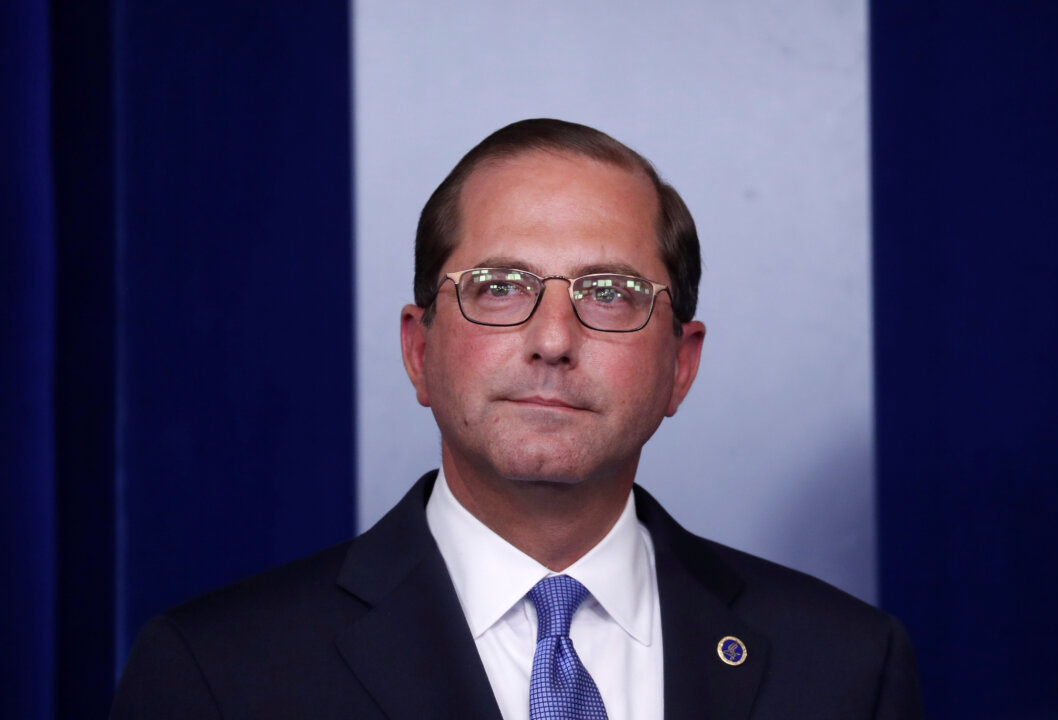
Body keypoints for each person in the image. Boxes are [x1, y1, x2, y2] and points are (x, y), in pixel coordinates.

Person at [110, 119, 923, 719]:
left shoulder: (848, 667)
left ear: (681, 365)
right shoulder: (219, 674)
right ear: (418, 348)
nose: (553, 339)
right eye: (499, 286)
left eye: (610, 293)